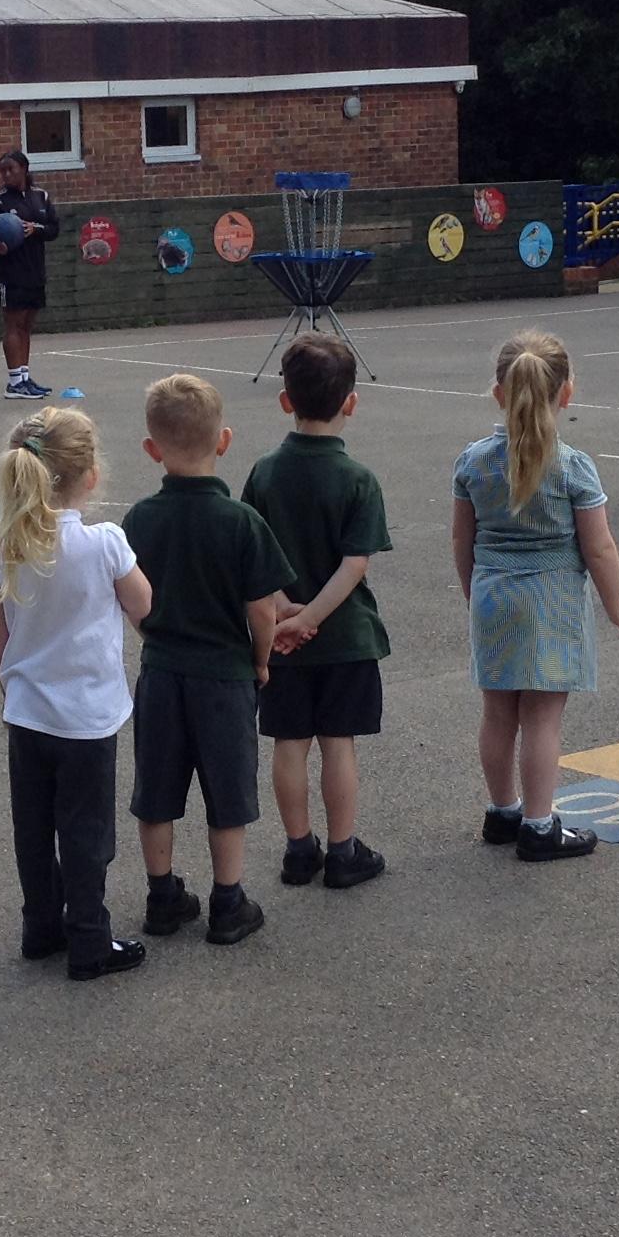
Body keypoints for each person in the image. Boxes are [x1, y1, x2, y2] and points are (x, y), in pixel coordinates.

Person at [120, 373, 299, 947]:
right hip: (223, 675)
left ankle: (162, 895)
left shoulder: (138, 520)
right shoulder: (241, 522)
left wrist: (151, 634)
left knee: (156, 790)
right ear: (223, 440)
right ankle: (228, 900)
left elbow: (132, 599)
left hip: (162, 671)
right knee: (228, 791)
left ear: (152, 449)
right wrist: (261, 659)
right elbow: (262, 609)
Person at [454, 331, 619, 861]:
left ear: (499, 393)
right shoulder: (572, 466)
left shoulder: (473, 462)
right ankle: (539, 827)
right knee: (541, 718)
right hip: (552, 603)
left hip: (493, 595)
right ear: (567, 393)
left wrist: (474, 593)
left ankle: (503, 812)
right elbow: (599, 547)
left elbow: (462, 540)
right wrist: (617, 608)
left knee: (498, 713)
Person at [0, 406, 154, 982]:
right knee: (86, 833)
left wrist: (10, 688)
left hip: (27, 711)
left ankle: (40, 927)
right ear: (90, 475)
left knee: (33, 829)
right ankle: (89, 940)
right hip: (86, 717)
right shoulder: (104, 543)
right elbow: (143, 606)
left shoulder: (5, 544)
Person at [240, 335, 390, 890]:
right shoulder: (358, 479)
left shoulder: (265, 472)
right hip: (344, 637)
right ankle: (343, 849)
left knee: (289, 743)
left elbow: (254, 554)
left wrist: (285, 609)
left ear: (286, 401)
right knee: (338, 742)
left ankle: (299, 849)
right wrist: (313, 619)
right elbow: (354, 565)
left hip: (278, 636)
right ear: (351, 402)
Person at [0, 149, 61, 400]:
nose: (6, 174)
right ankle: (14, 382)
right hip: (9, 274)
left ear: (24, 168)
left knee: (26, 325)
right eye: (2, 171)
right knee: (13, 324)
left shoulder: (40, 196)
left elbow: (54, 229)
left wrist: (35, 229)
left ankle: (24, 377)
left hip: (34, 271)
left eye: (10, 169)